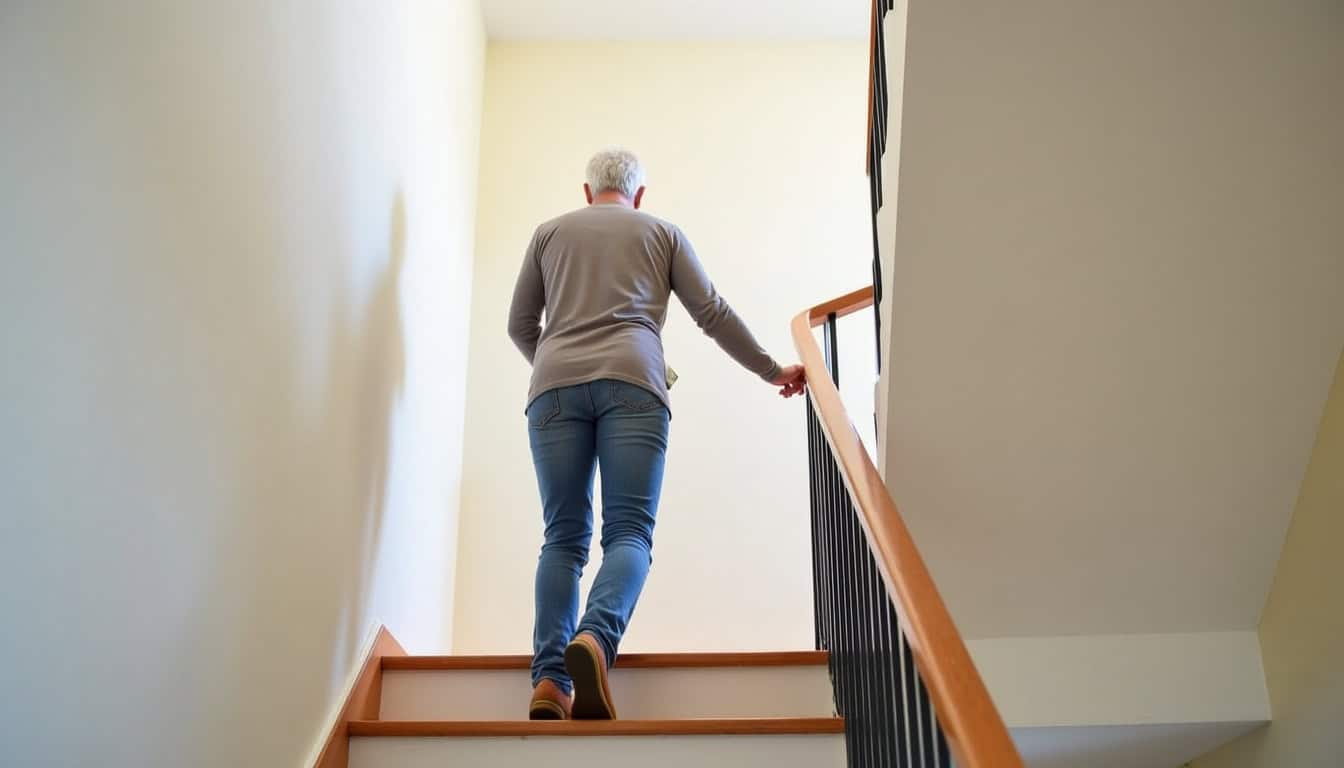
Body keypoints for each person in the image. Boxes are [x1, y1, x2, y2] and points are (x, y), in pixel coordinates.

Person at [508, 148, 807, 721]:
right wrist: (772, 370)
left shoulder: (549, 234)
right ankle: (594, 639)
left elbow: (520, 325)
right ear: (639, 194)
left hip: (552, 390)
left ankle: (549, 684)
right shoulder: (662, 232)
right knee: (630, 535)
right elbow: (711, 312)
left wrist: (554, 365)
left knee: (562, 539)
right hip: (635, 383)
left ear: (587, 190)